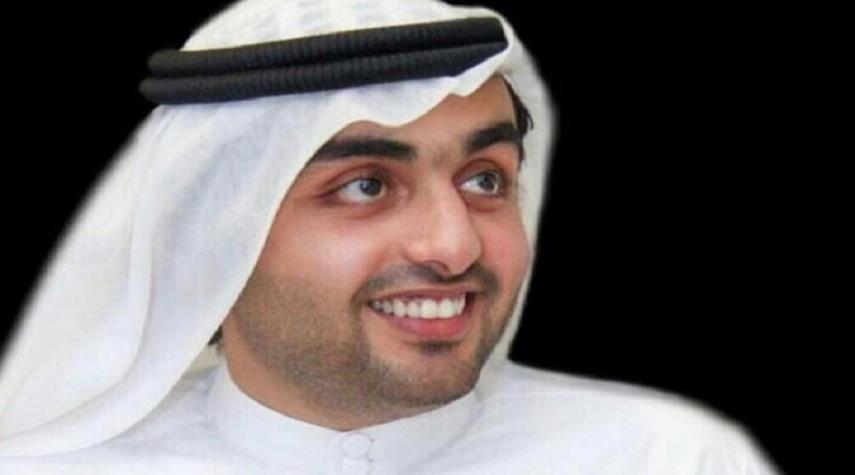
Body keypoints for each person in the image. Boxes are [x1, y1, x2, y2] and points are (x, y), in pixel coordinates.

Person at [0, 0, 780, 473]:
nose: (454, 246)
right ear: (207, 239)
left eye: (484, 180)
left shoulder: (666, 459)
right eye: (365, 186)